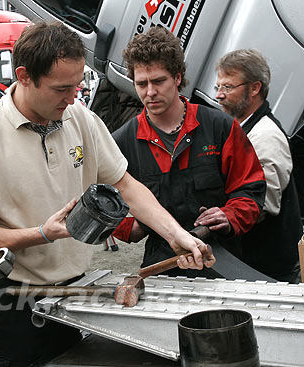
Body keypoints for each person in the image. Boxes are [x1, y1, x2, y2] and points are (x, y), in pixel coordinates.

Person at [0, 21, 215, 367]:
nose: (73, 98)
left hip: (74, 295)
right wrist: (41, 234)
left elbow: (127, 185)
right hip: (13, 301)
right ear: (24, 76)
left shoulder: (80, 119)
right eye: (61, 89)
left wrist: (177, 235)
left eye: (76, 85)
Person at [111, 27, 266, 278]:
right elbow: (105, 206)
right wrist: (133, 226)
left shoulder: (219, 128)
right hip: (162, 266)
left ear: (178, 77)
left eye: (159, 81)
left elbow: (252, 191)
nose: (150, 92)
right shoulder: (122, 143)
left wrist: (229, 215)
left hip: (223, 261)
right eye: (141, 83)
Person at [215, 49, 302, 282]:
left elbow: (261, 206)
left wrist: (222, 216)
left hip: (268, 270)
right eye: (218, 87)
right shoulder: (244, 129)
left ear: (254, 88)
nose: (219, 95)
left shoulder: (266, 137)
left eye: (227, 87)